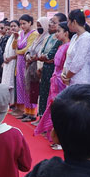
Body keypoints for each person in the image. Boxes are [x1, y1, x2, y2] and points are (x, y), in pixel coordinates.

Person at [34, 21, 72, 149]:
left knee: (61, 110)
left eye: (59, 31)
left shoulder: (69, 46)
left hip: (61, 81)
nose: (56, 34)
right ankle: (56, 137)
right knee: (54, 109)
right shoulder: (61, 45)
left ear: (66, 33)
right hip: (56, 80)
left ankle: (62, 139)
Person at [22, 17, 51, 123]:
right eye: (38, 25)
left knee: (38, 92)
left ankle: (36, 115)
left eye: (40, 26)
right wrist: (28, 56)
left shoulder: (47, 37)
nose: (39, 28)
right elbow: (30, 49)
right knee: (32, 90)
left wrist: (33, 57)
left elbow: (41, 52)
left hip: (39, 67)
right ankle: (32, 114)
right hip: (31, 66)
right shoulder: (38, 37)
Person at [11, 14, 39, 120]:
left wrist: (18, 52)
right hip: (19, 63)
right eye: (21, 24)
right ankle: (26, 111)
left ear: (30, 23)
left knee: (29, 87)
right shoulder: (21, 33)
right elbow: (14, 47)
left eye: (24, 23)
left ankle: (32, 113)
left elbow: (28, 49)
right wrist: (15, 39)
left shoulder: (34, 34)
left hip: (28, 63)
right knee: (22, 87)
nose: (22, 26)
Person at [37, 14, 64, 119]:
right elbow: (42, 53)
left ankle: (48, 120)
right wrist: (44, 58)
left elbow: (51, 55)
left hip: (53, 69)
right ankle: (41, 117)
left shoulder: (60, 39)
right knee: (43, 92)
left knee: (51, 94)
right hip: (45, 67)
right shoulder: (49, 37)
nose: (51, 24)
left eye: (54, 22)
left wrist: (45, 57)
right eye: (50, 21)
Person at [61, 9, 90, 87]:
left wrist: (67, 77)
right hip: (71, 78)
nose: (67, 24)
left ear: (74, 22)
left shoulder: (86, 38)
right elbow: (68, 57)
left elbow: (78, 62)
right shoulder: (75, 37)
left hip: (81, 80)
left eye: (68, 21)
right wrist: (64, 73)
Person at [1, 20, 19, 107]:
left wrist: (11, 58)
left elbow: (18, 52)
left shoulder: (19, 36)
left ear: (18, 27)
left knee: (12, 84)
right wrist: (4, 57)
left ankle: (13, 103)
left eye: (15, 26)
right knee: (6, 83)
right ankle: (8, 102)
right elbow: (6, 50)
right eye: (11, 26)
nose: (12, 28)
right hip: (7, 63)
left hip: (14, 62)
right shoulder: (10, 37)